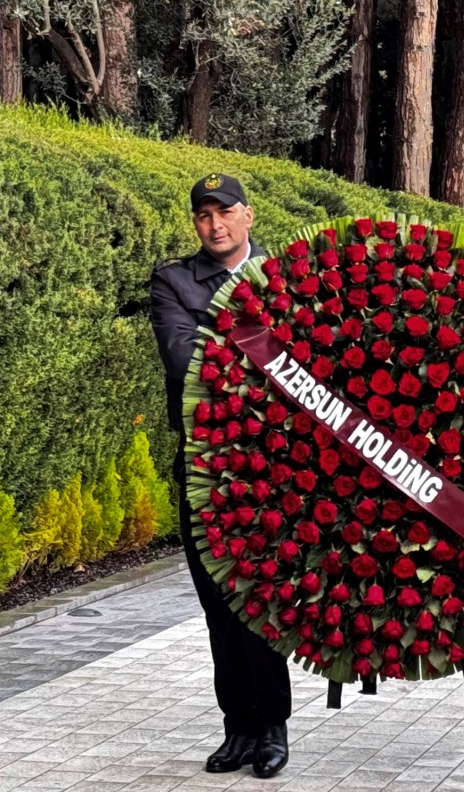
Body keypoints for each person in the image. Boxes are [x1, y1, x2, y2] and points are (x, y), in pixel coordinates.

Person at [150, 174, 292, 779]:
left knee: (261, 597)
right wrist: (264, 352)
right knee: (217, 602)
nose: (216, 225)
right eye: (204, 215)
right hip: (209, 463)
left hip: (276, 467)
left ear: (248, 215)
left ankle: (273, 728)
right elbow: (185, 362)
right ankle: (238, 726)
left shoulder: (290, 275)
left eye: (225, 212)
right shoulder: (174, 281)